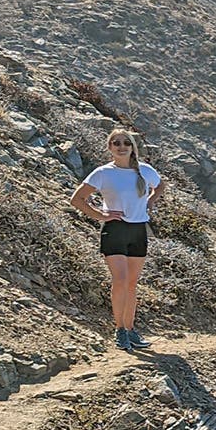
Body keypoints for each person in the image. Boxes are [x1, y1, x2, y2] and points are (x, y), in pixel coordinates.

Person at [68, 128, 166, 351]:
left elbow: (160, 186)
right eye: (116, 143)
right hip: (115, 231)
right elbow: (77, 199)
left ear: (132, 147)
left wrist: (151, 201)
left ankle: (131, 331)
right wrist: (101, 215)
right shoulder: (103, 173)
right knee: (120, 281)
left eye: (126, 143)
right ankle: (119, 330)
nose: (121, 147)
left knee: (132, 283)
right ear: (109, 147)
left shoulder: (145, 171)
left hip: (138, 230)